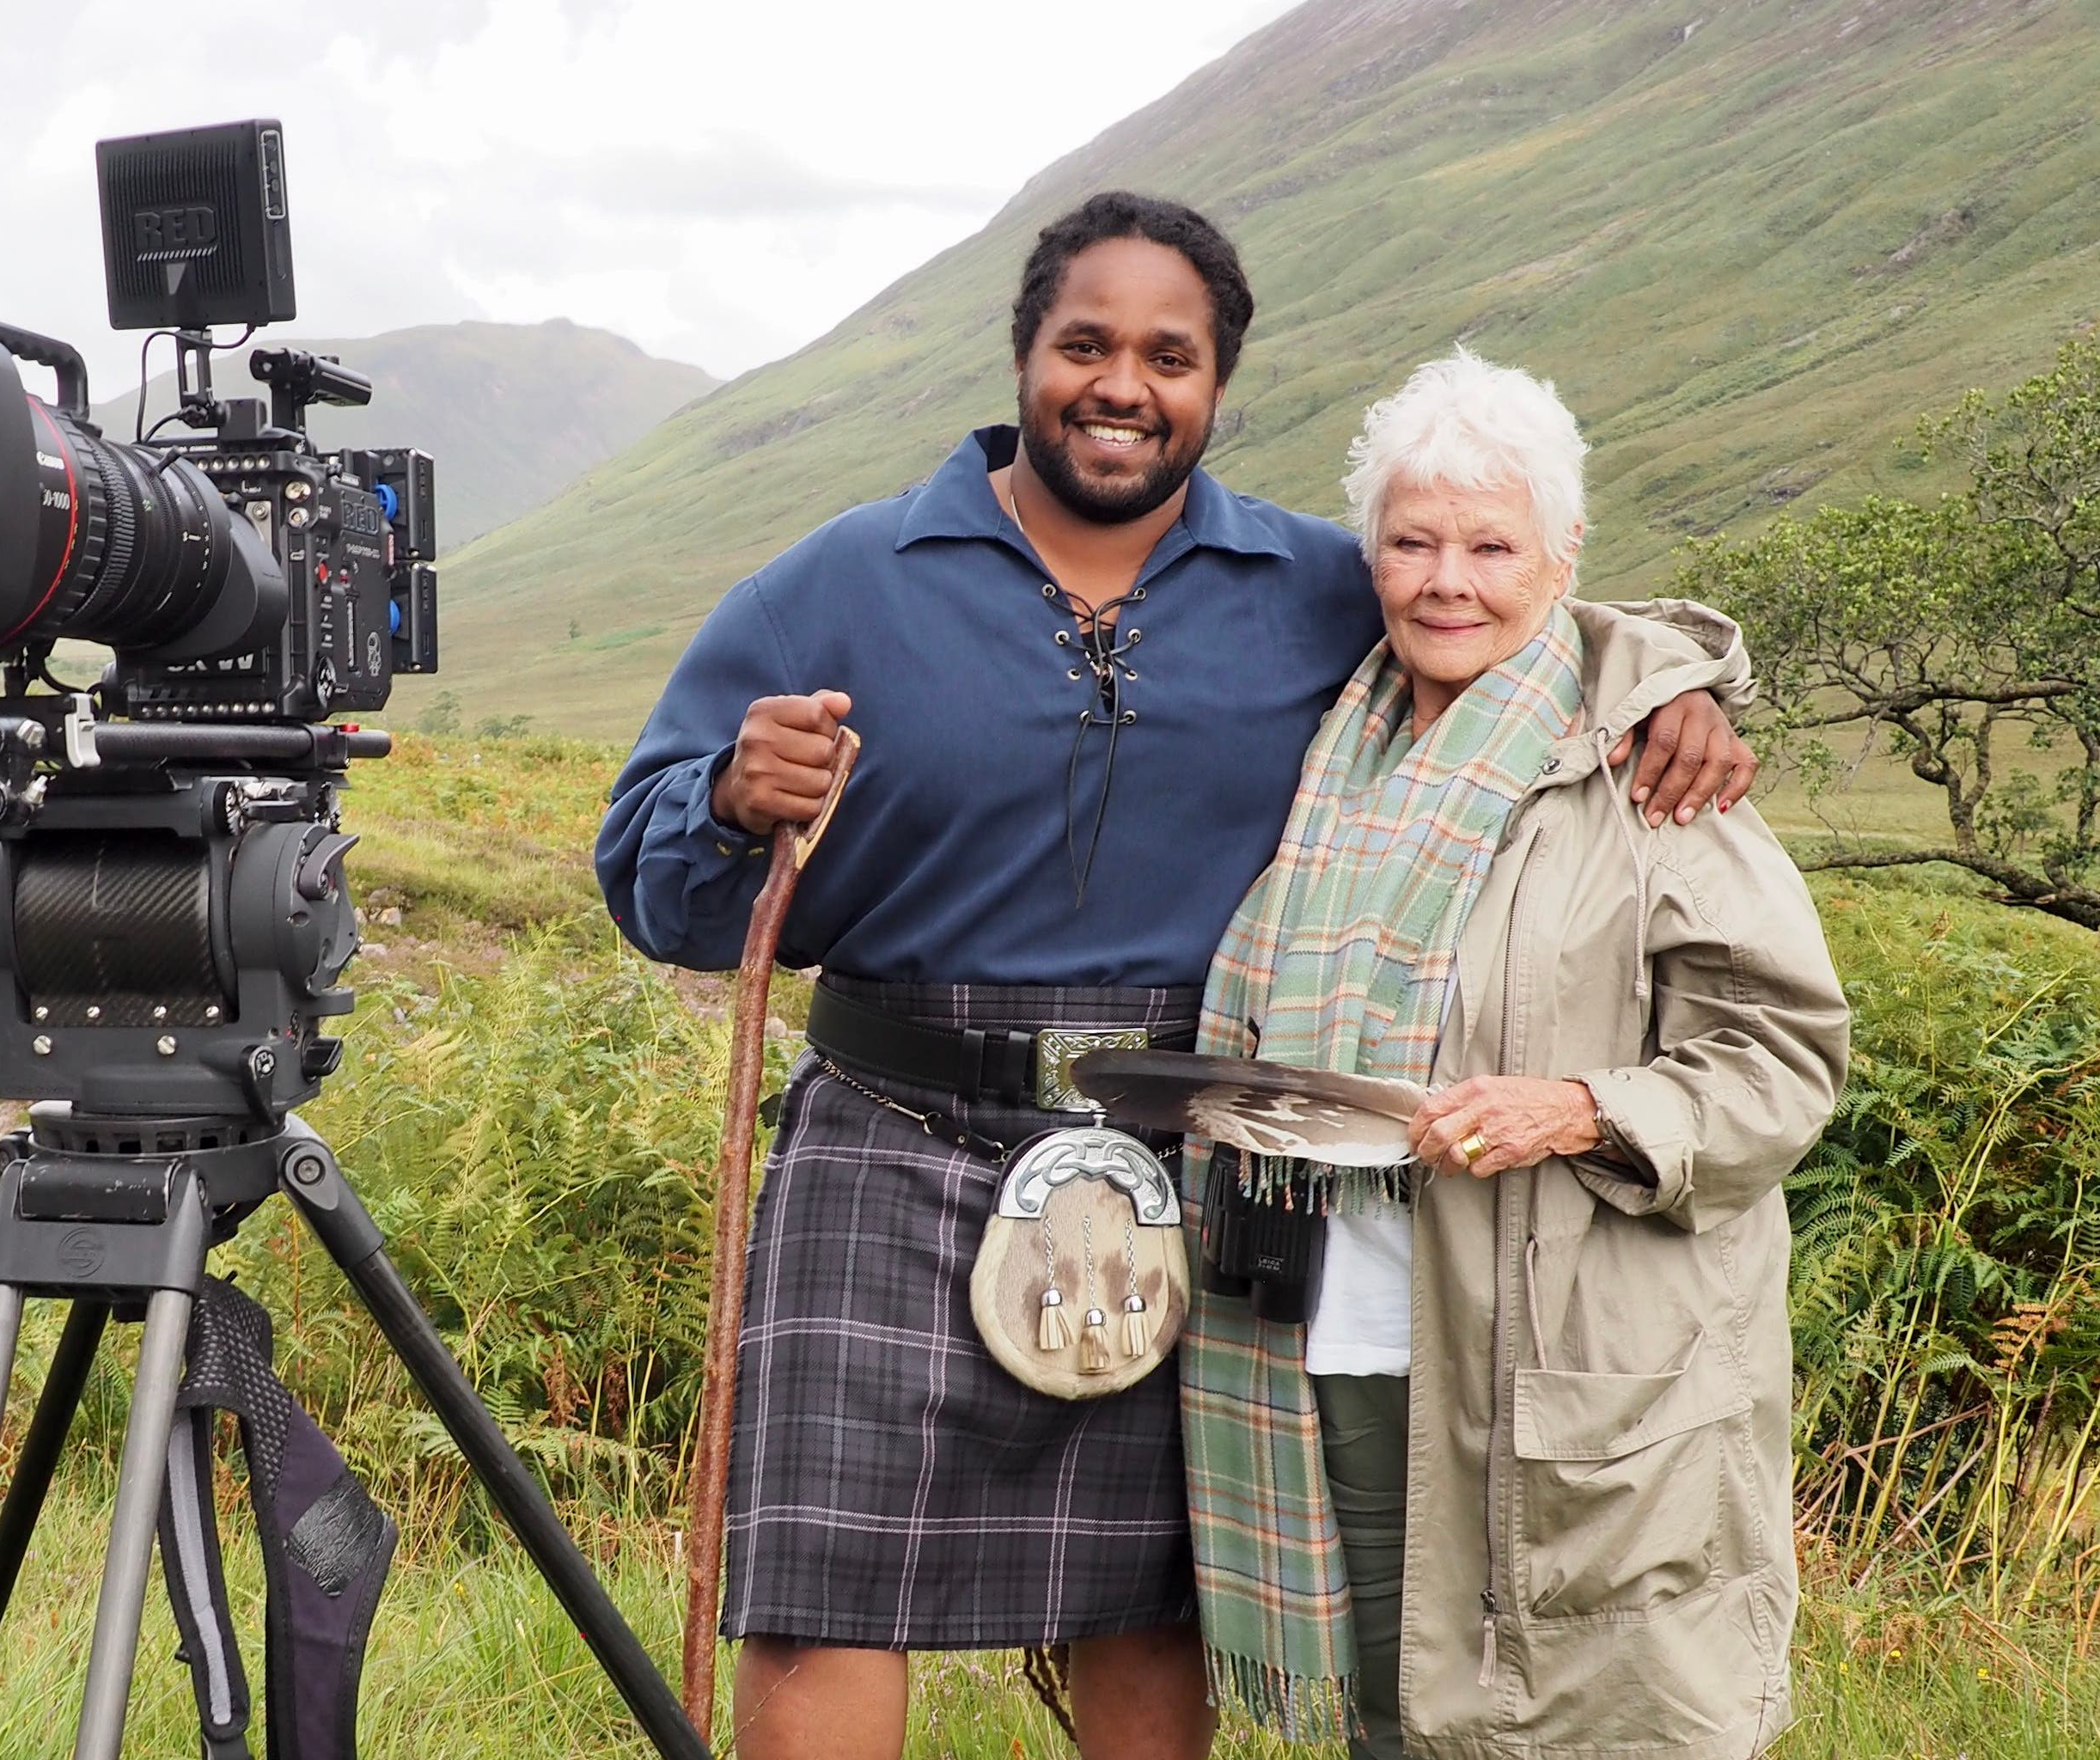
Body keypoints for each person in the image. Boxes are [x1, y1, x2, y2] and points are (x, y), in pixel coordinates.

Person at [595, 192, 1755, 1760]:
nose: (1122, 385)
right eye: (1086, 344)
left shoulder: (1313, 587)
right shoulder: (836, 584)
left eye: (1170, 354)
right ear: (1024, 356)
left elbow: (1513, 616)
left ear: (1219, 383)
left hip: (1191, 1151)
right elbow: (648, 881)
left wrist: (1683, 688)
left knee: (1151, 1611)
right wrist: (730, 800)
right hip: (887, 1133)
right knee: (821, 1609)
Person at [1180, 350, 1849, 1760]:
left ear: (1565, 557)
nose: (1448, 581)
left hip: (1581, 1356)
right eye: (1413, 542)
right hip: (1337, 1326)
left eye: (1492, 545)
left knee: (1590, 1724)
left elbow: (1782, 1056)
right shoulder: (1332, 748)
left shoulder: (1652, 771)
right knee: (1393, 1713)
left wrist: (1586, 1108)